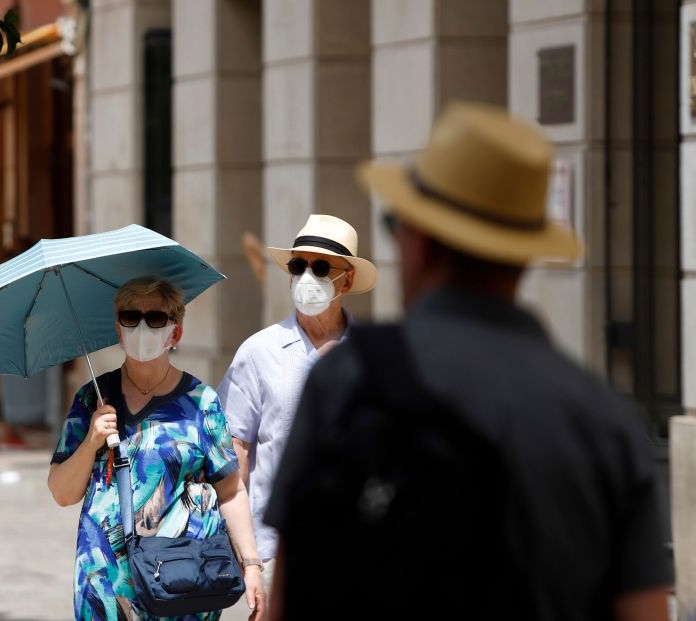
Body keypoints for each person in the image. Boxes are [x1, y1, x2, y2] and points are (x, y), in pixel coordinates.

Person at [264, 102, 672, 620]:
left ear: (421, 243)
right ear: (521, 254)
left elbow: (292, 594)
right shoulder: (605, 422)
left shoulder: (350, 379)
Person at [48, 276, 266, 620]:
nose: (141, 327)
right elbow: (62, 492)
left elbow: (231, 491)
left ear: (175, 332)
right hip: (106, 585)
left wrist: (251, 564)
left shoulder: (201, 402)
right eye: (130, 317)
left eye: (155, 318)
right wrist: (91, 442)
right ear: (118, 329)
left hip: (183, 582)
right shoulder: (93, 398)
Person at [217, 214, 376, 596]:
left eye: (321, 267)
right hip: (277, 556)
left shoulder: (372, 357)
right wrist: (246, 554)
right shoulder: (258, 353)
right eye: (298, 265)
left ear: (347, 280)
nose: (307, 277)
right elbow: (233, 450)